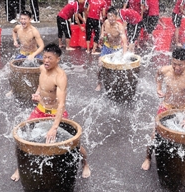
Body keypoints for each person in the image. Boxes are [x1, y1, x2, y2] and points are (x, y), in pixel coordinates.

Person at [10, 43, 91, 181]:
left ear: (57, 59)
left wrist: (54, 127)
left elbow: (61, 104)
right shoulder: (42, 68)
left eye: (50, 58)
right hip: (40, 110)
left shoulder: (60, 77)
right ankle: (19, 168)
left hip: (55, 113)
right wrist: (37, 94)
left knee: (71, 142)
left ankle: (85, 164)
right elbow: (41, 85)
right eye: (44, 57)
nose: (46, 60)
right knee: (24, 138)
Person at [141, 48, 185, 170]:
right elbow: (158, 74)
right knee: (154, 135)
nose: (176, 68)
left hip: (182, 109)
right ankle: (148, 158)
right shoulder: (165, 70)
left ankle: (181, 163)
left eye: (180, 65)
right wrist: (158, 88)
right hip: (166, 107)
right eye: (174, 64)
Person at [95, 7, 128, 91]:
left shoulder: (119, 27)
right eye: (109, 16)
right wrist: (102, 34)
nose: (111, 18)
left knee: (117, 68)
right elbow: (103, 26)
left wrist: (124, 56)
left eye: (113, 16)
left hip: (117, 49)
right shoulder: (106, 22)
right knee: (99, 65)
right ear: (107, 16)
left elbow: (124, 43)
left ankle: (118, 85)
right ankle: (99, 83)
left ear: (116, 17)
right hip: (107, 47)